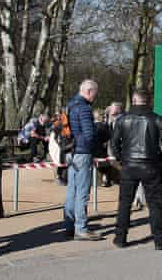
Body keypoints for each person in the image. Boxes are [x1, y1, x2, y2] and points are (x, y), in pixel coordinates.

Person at [111, 88, 162, 250]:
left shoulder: (122, 119)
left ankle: (120, 238)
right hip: (151, 165)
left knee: (125, 203)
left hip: (129, 165)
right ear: (148, 101)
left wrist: (121, 159)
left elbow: (114, 144)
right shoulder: (157, 119)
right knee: (154, 205)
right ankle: (160, 240)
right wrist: (161, 162)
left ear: (133, 100)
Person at [64, 79, 101, 241]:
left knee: (71, 190)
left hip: (70, 152)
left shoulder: (70, 105)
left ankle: (69, 226)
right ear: (89, 91)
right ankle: (81, 228)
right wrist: (95, 148)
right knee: (82, 192)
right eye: (95, 94)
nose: (95, 97)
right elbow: (88, 134)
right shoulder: (84, 108)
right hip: (82, 152)